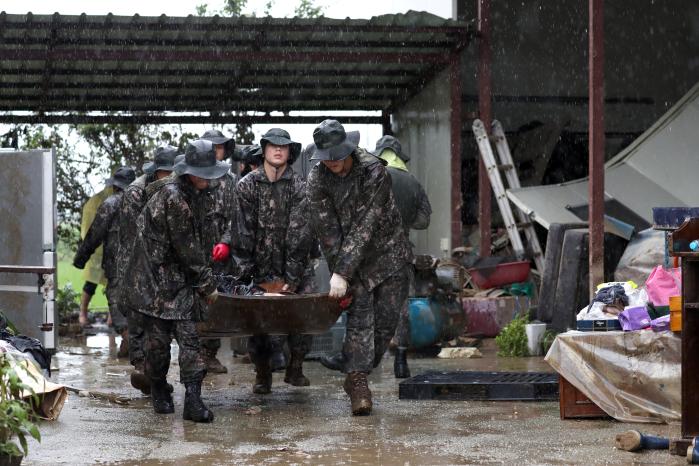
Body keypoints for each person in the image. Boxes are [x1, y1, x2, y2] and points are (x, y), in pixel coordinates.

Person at [306, 120, 413, 416]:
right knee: (360, 323)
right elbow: (328, 232)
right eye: (328, 158)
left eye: (338, 156)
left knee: (385, 325)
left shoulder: (374, 171)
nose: (334, 164)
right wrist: (340, 273)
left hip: (389, 255)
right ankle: (357, 381)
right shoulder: (317, 179)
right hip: (353, 265)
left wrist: (343, 271)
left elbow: (368, 223)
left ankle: (359, 369)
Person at [123, 140, 226, 423]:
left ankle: (193, 399)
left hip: (181, 281)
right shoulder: (172, 197)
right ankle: (158, 388)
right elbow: (187, 248)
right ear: (189, 172)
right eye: (203, 173)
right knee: (158, 346)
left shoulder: (200, 193)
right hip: (156, 283)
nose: (208, 178)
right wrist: (207, 284)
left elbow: (203, 237)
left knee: (191, 340)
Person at [320, 135, 432, 378]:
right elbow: (424, 220)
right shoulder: (411, 181)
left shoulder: (370, 173)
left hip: (361, 254)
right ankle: (399, 361)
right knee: (396, 311)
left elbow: (355, 222)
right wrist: (402, 221)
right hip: (397, 252)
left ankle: (354, 360)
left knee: (361, 310)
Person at [232, 128, 314, 394]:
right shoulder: (246, 185)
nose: (278, 150)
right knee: (257, 323)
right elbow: (242, 235)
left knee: (304, 316)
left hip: (295, 267)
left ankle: (296, 367)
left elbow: (299, 234)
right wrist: (251, 278)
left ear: (290, 152)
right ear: (264, 149)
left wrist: (290, 279)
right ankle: (262, 373)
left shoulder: (300, 186)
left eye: (283, 146)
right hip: (258, 269)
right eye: (272, 146)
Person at [116, 145, 178, 394]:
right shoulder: (136, 192)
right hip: (136, 263)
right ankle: (143, 371)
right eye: (167, 174)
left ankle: (153, 374)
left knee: (161, 323)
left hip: (162, 264)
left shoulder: (174, 190)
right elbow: (135, 239)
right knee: (139, 318)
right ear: (157, 172)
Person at [73, 167, 136, 357]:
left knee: (116, 301)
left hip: (116, 264)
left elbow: (94, 234)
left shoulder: (110, 203)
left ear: (115, 185)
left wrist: (80, 259)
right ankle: (134, 341)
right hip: (143, 264)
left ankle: (129, 339)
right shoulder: (145, 202)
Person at [200, 129, 237, 374]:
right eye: (211, 147)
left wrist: (226, 241)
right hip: (196, 247)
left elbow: (236, 215)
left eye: (219, 147)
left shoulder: (230, 179)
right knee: (195, 302)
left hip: (221, 251)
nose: (216, 151)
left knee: (217, 302)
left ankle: (210, 353)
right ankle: (194, 353)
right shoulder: (194, 174)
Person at [77, 188, 112, 327]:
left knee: (113, 284)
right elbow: (89, 227)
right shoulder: (97, 201)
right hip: (97, 250)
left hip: (111, 249)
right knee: (91, 283)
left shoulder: (114, 199)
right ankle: (82, 314)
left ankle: (112, 317)